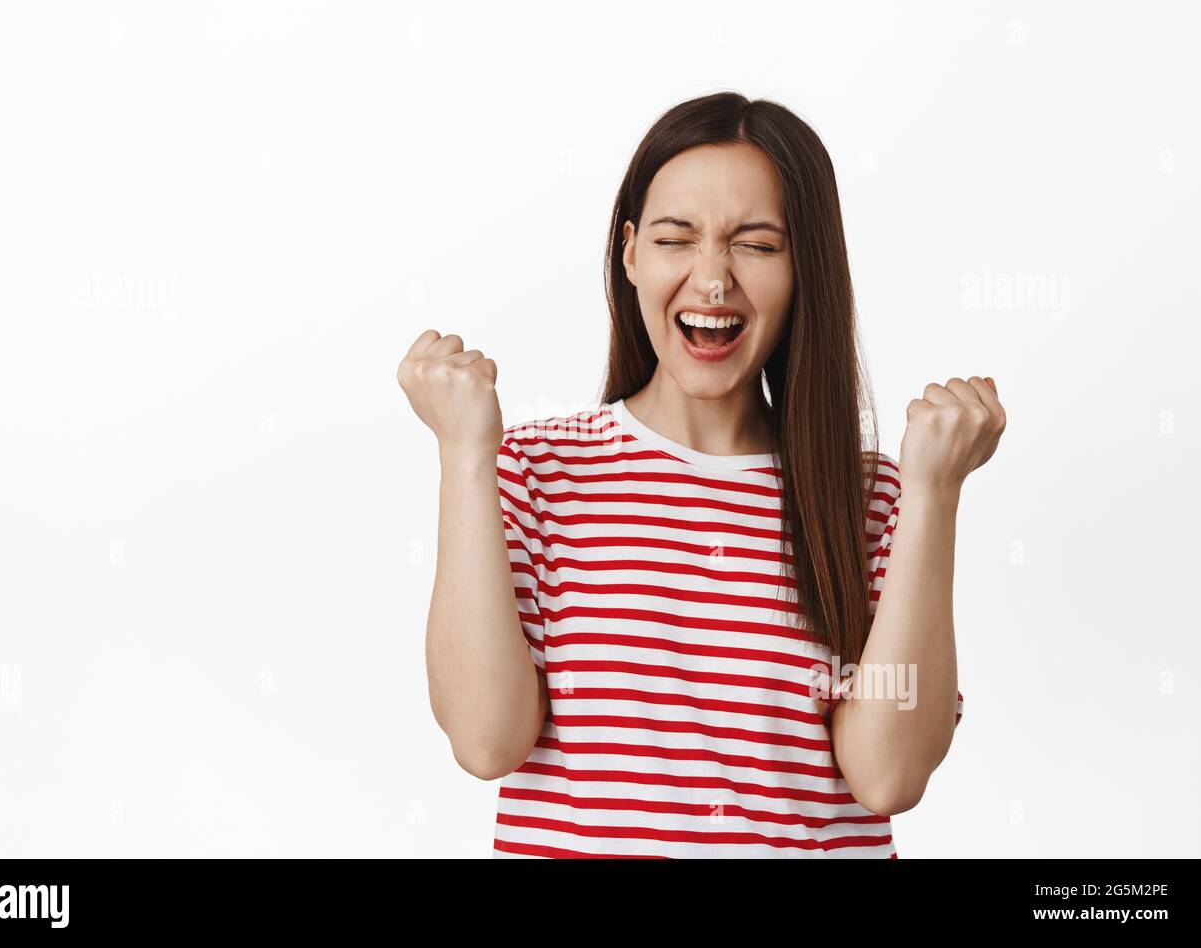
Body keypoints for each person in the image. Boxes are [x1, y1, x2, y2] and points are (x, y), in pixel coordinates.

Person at [397, 92, 1005, 858]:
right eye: (676, 238)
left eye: (755, 244)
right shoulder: (531, 473)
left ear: (806, 265)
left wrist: (934, 496)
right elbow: (486, 742)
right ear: (629, 254)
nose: (712, 279)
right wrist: (462, 456)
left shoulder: (876, 499)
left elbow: (888, 777)